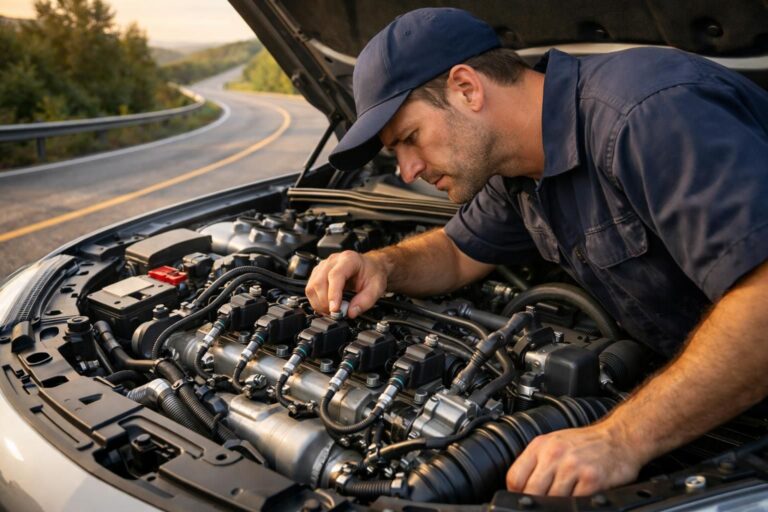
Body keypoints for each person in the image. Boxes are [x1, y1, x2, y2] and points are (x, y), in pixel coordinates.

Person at [305, 7, 768, 497]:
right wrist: (382, 265)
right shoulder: (517, 165)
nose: (407, 170)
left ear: (467, 87)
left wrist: (621, 438)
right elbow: (458, 252)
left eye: (409, 139)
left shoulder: (648, 114)